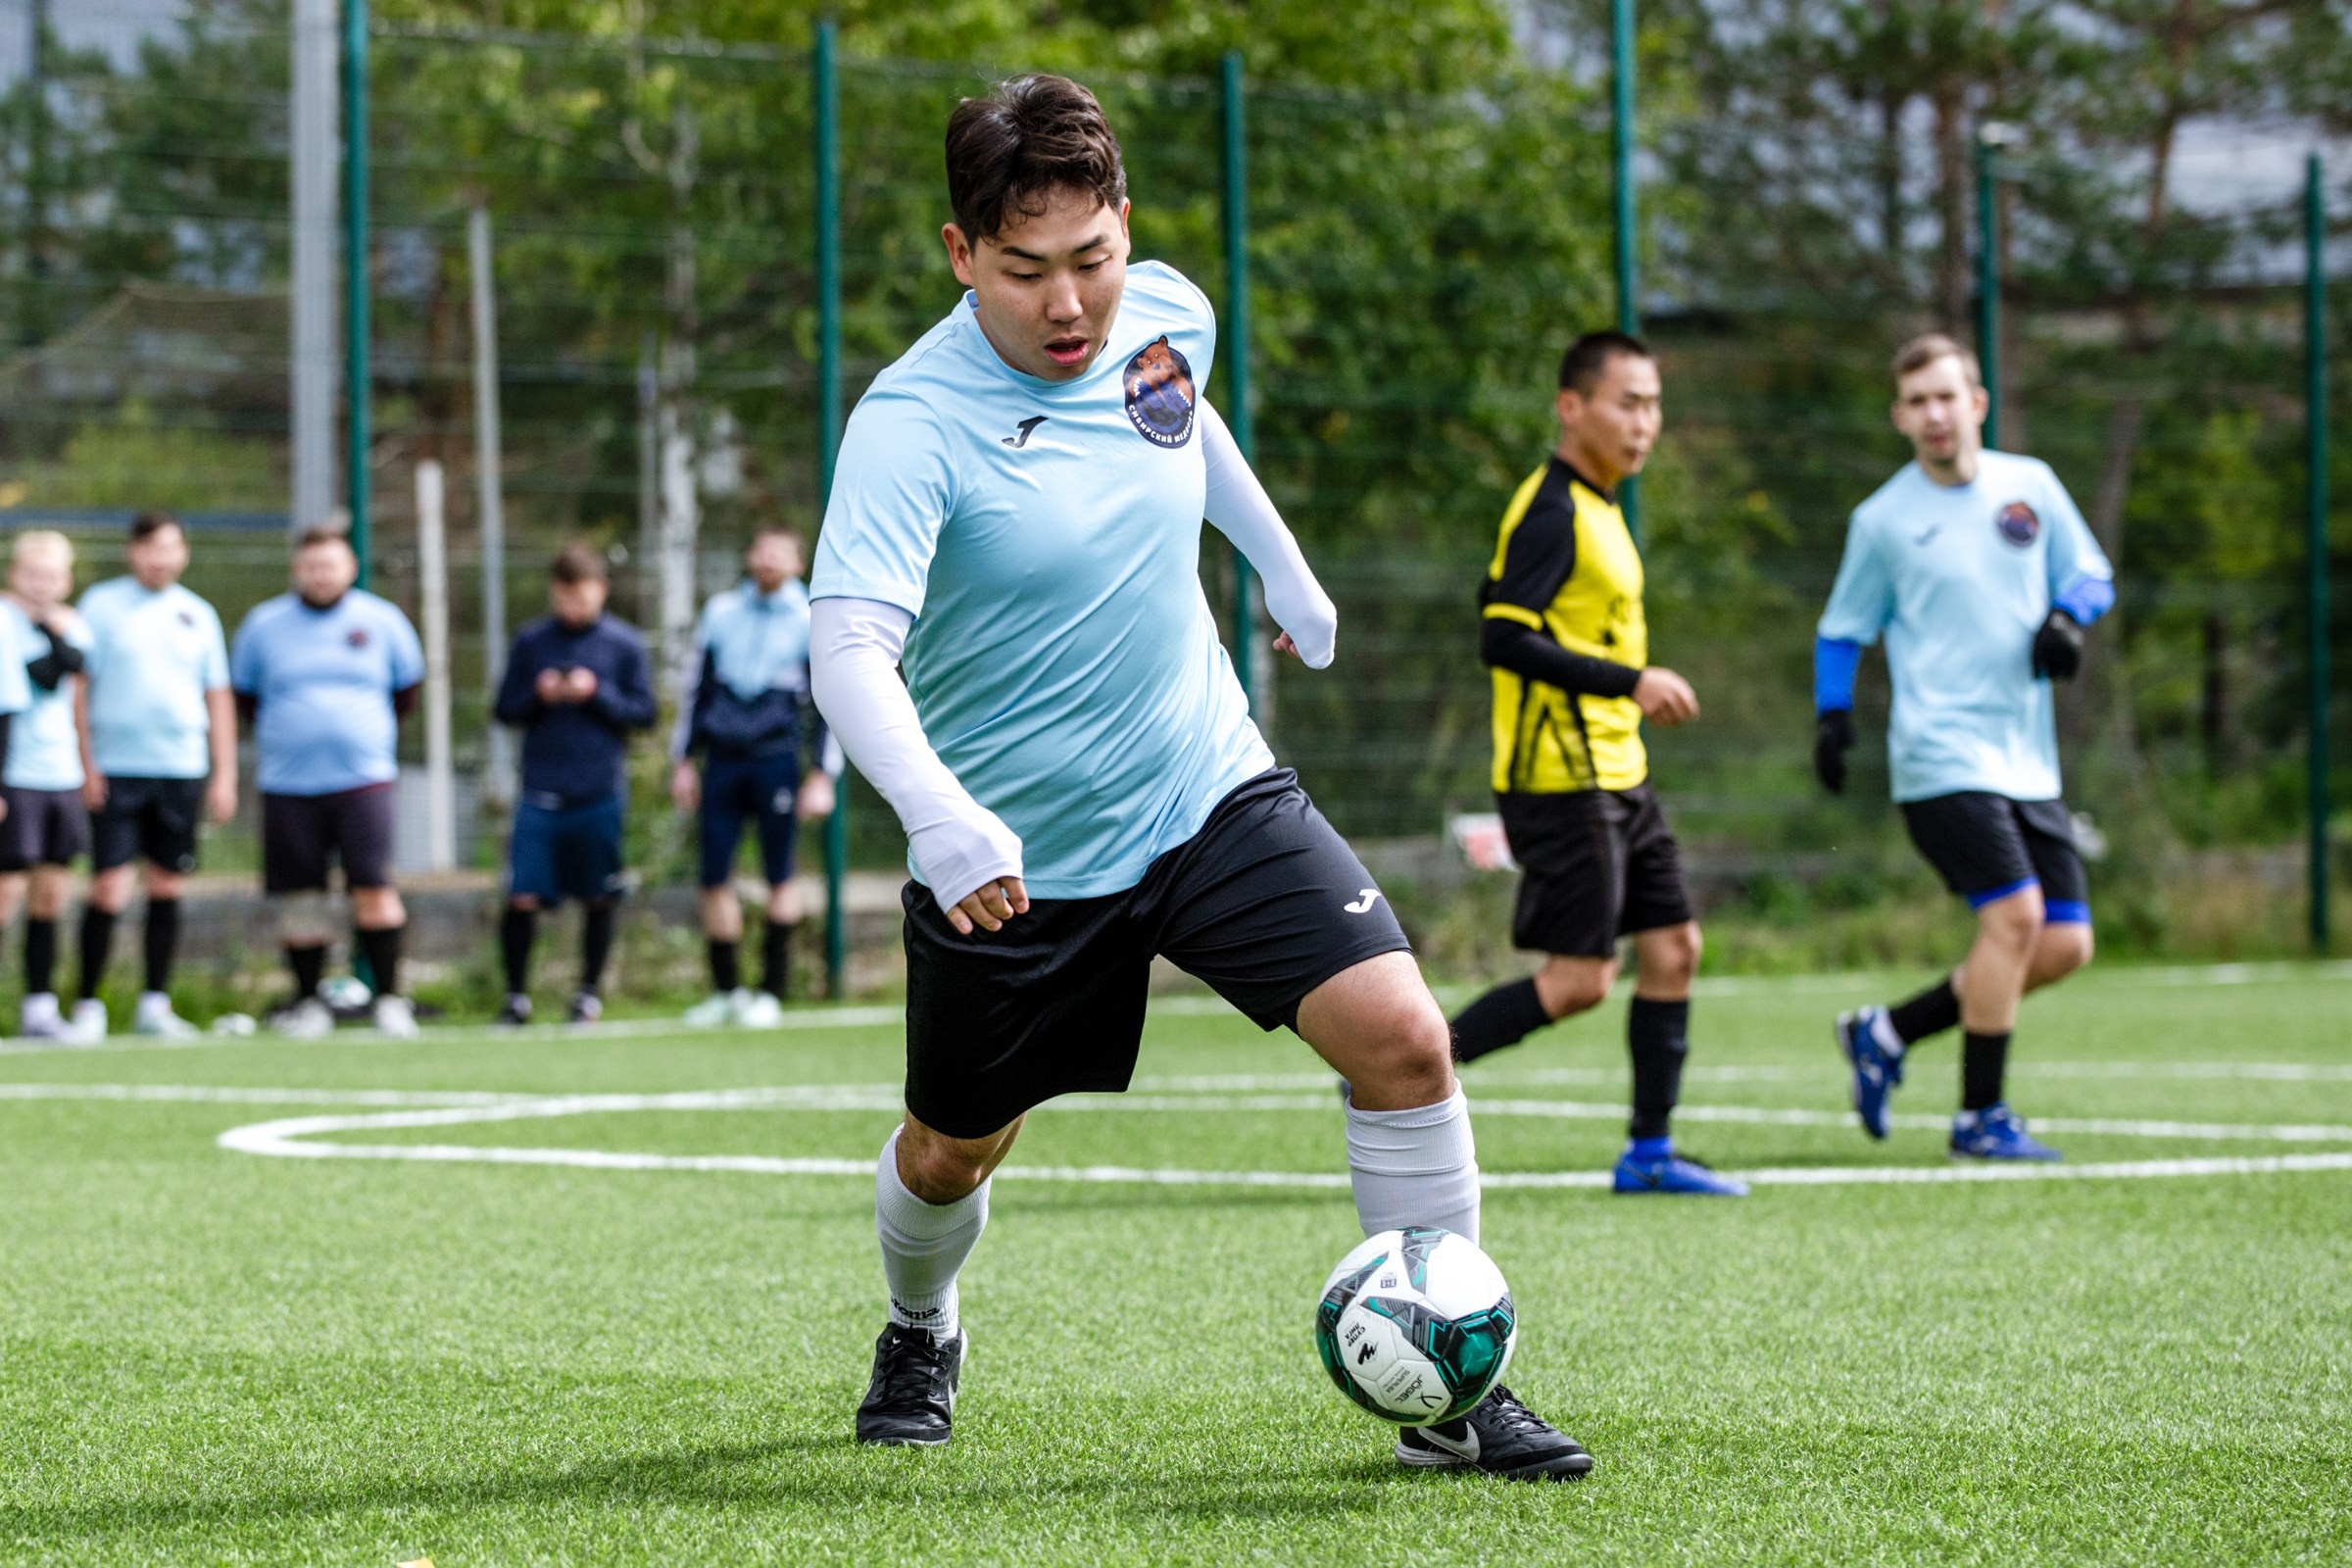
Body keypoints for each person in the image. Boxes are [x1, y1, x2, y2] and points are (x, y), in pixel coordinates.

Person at [809, 74, 1591, 1479]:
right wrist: (938, 814)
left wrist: (1279, 565)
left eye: (1091, 261)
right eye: (1024, 271)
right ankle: (921, 1324)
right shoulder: (910, 425)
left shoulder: (1163, 314)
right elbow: (850, 646)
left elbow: (1180, 421)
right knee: (949, 1154)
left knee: (1407, 1041)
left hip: (1203, 782)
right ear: (958, 254)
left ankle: (1452, 1395)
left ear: (1126, 228)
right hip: (1012, 861)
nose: (1070, 309)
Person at [1443, 332, 1744, 1198]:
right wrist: (1631, 680)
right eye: (1627, 402)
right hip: (1562, 777)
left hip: (1618, 771)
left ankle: (1649, 1153)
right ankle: (1400, 1064)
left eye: (1654, 404)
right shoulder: (1552, 508)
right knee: (1579, 981)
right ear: (1572, 408)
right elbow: (1502, 635)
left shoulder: (1604, 505)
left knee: (1676, 948)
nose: (1645, 422)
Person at [1814, 333, 2114, 1160]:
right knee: (2015, 918)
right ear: (1900, 418)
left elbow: (2091, 573)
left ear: (1977, 403)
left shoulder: (2032, 487)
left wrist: (2066, 618)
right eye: (1917, 402)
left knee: (2063, 943)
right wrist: (1831, 715)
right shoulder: (1881, 521)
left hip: (2027, 758)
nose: (1934, 414)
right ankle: (1981, 1116)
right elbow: (1841, 630)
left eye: (1947, 396)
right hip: (1939, 756)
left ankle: (1886, 1031)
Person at [229, 526, 426, 1040]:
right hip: (289, 785)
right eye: (311, 566)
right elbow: (245, 697)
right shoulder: (263, 625)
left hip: (364, 780)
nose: (321, 575)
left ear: (350, 568)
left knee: (375, 888)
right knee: (302, 898)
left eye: (331, 565)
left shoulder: (382, 621)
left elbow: (407, 692)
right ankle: (308, 1003)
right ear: (297, 570)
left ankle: (388, 1000)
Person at [669, 525, 844, 1028]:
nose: (767, 559)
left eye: (779, 553)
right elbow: (694, 690)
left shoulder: (811, 617)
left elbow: (829, 703)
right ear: (750, 555)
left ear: (797, 563)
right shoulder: (720, 613)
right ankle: (727, 992)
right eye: (761, 549)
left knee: (779, 875)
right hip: (721, 761)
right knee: (713, 877)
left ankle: (771, 991)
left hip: (777, 761)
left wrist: (821, 776)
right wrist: (683, 760)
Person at [74, 513, 236, 1039]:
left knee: (166, 886)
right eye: (150, 548)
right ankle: (87, 1007)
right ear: (133, 552)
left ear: (183, 553)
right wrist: (86, 761)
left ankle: (155, 1005)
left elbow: (218, 696)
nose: (160, 559)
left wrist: (224, 773)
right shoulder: (100, 604)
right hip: (115, 769)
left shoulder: (198, 613)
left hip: (181, 769)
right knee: (109, 887)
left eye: (170, 548)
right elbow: (79, 689)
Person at [492, 545, 657, 1026]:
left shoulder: (624, 645)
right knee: (522, 895)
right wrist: (538, 695)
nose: (572, 606)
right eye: (564, 596)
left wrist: (596, 692)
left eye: (581, 596)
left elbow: (643, 714)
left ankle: (586, 995)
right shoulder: (531, 642)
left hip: (599, 790)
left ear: (600, 591)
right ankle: (515, 997)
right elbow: (504, 708)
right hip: (539, 790)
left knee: (598, 895)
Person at [0, 535, 59, 1036]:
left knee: (50, 891)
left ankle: (39, 1007)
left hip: (56, 777)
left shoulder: (63, 622)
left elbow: (66, 672)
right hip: (17, 778)